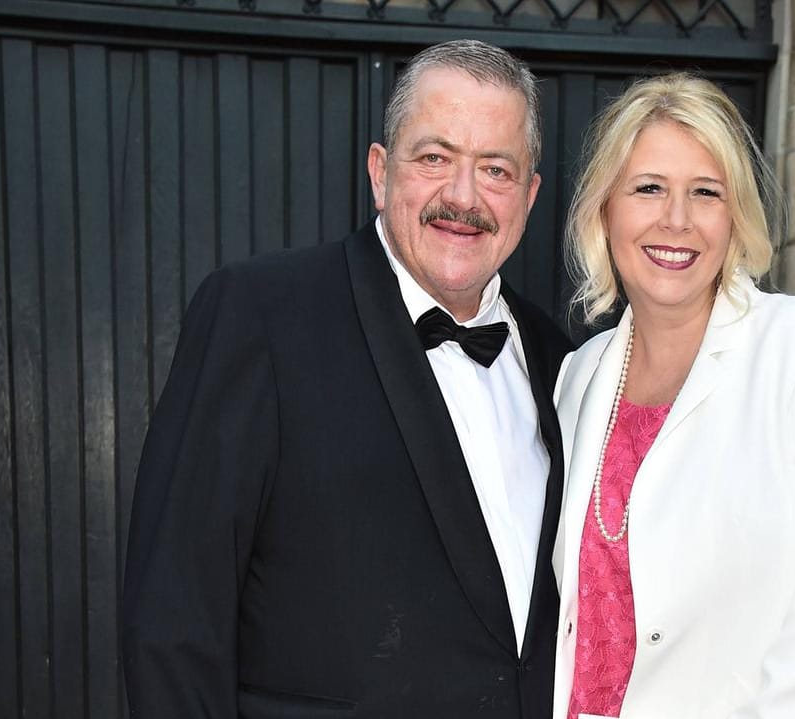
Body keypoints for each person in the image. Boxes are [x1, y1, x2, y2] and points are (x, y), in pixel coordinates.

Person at [123, 40, 573, 718]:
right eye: (434, 157)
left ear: (530, 194)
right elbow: (173, 618)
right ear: (380, 172)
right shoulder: (260, 316)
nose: (463, 195)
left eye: (496, 169)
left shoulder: (556, 357)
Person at [550, 73, 795, 718]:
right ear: (605, 209)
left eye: (705, 193)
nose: (676, 220)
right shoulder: (580, 376)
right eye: (648, 188)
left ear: (735, 214)